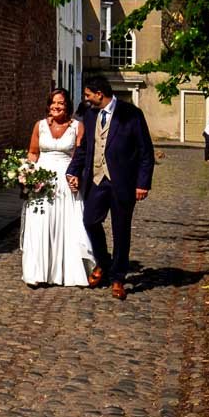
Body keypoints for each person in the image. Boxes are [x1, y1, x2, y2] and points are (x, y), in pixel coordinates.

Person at [65, 75, 155, 300]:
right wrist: (72, 169)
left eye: (88, 95)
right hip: (96, 180)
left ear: (99, 94)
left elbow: (146, 151)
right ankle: (103, 263)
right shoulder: (90, 114)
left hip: (123, 182)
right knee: (90, 221)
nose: (85, 99)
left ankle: (118, 278)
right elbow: (85, 147)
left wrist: (142, 183)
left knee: (121, 230)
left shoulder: (131, 114)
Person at [20, 88, 96, 287]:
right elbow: (33, 153)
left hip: (65, 180)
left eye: (60, 103)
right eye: (53, 103)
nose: (56, 106)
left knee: (67, 225)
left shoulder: (77, 127)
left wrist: (77, 176)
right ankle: (37, 272)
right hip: (41, 182)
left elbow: (80, 156)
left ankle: (69, 271)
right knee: (40, 225)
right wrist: (26, 172)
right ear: (48, 105)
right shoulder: (40, 126)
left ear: (67, 106)